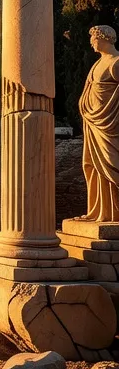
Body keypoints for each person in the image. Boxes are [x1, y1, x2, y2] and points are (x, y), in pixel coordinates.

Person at [78, 25, 119, 223]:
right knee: (92, 166)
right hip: (95, 124)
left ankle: (113, 214)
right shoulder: (97, 64)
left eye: (93, 39)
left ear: (103, 38)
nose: (91, 42)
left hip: (111, 127)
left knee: (112, 166)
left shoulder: (117, 62)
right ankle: (98, 210)